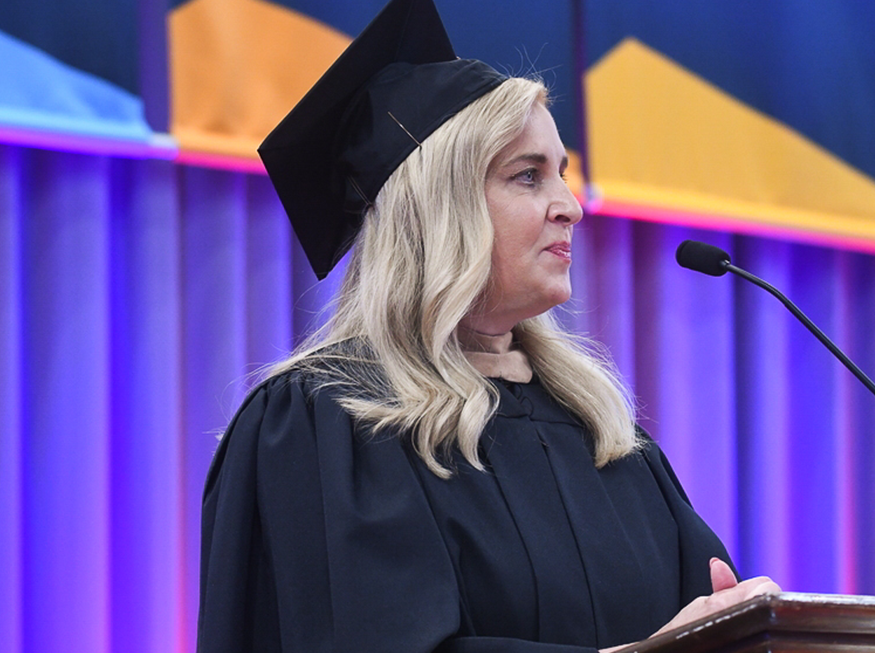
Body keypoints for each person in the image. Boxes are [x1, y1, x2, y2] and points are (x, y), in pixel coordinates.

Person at [197, 0, 778, 651]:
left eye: (563, 173)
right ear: (434, 210)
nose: (570, 207)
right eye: (527, 175)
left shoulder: (602, 435)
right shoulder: (325, 425)